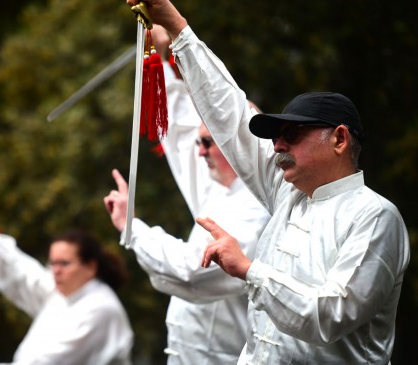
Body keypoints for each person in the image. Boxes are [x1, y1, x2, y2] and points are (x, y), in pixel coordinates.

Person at [123, 1, 411, 364]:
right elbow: (230, 114)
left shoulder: (376, 217)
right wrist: (178, 28)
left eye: (292, 133)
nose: (277, 144)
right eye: (275, 134)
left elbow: (330, 316)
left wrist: (248, 269)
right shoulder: (287, 194)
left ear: (339, 140)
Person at [103, 26, 270, 364]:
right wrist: (163, 58)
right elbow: (180, 128)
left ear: (238, 146)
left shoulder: (259, 208)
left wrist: (132, 229)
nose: (200, 151)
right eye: (201, 141)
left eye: (208, 142)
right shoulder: (218, 190)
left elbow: (191, 271)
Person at [0, 197, 134, 365]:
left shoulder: (101, 308)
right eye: (53, 263)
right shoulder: (62, 295)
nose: (56, 271)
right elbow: (20, 270)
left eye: (64, 263)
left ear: (90, 267)